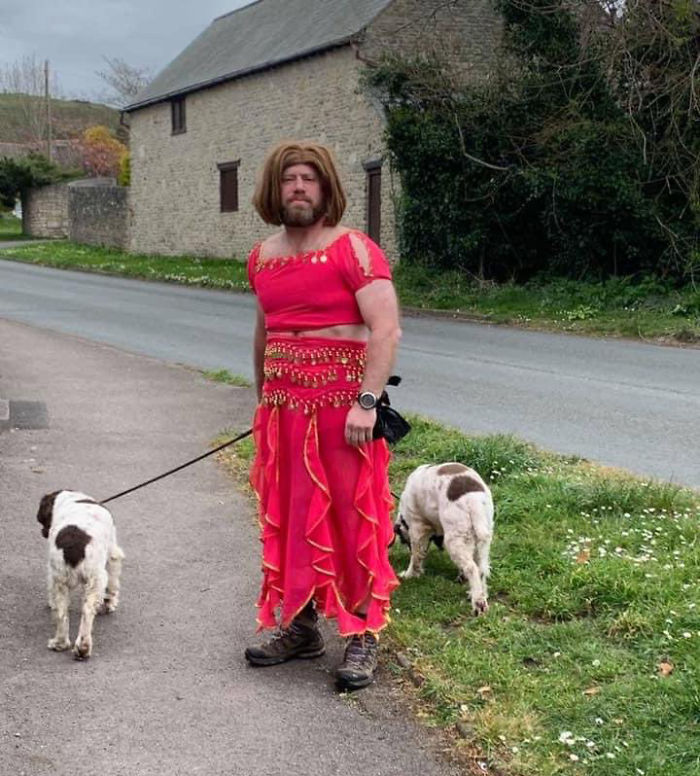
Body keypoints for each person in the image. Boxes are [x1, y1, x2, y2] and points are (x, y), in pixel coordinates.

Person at [244, 140, 402, 691]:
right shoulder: (263, 256)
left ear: (326, 186)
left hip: (345, 414)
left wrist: (367, 401)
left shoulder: (355, 249)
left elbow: (385, 329)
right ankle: (304, 625)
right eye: (290, 179)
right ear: (274, 189)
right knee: (290, 515)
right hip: (284, 414)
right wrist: (262, 400)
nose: (299, 188)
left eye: (310, 178)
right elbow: (265, 334)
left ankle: (363, 635)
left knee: (352, 520)